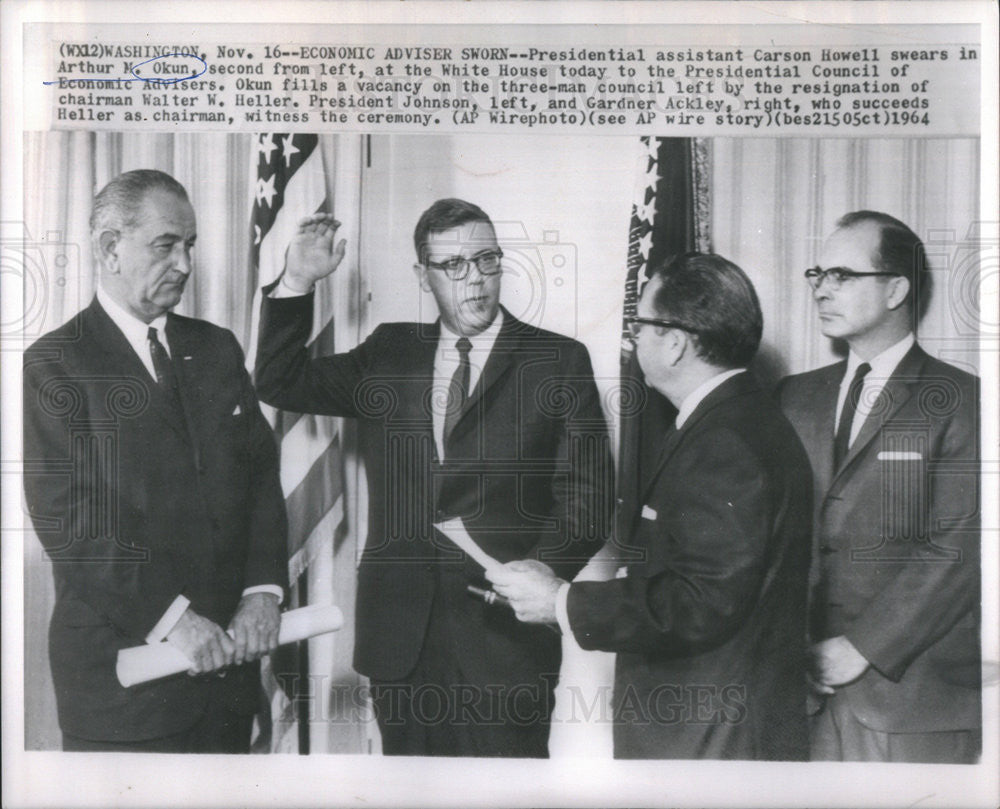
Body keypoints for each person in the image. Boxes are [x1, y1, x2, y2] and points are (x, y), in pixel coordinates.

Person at [254, 199, 611, 757]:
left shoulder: (558, 361)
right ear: (424, 275)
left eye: (487, 260)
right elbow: (279, 380)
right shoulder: (390, 352)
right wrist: (298, 279)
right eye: (454, 266)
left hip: (506, 641)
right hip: (400, 638)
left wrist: (543, 571)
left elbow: (588, 501)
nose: (476, 281)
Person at [490, 252, 813, 760]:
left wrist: (562, 601)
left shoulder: (724, 442)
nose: (632, 339)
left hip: (708, 733)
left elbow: (701, 602)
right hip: (709, 722)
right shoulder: (730, 420)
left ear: (676, 342)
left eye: (640, 325)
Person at [23, 169, 287, 753]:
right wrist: (174, 619)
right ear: (111, 248)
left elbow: (261, 479)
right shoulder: (54, 365)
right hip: (125, 688)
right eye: (166, 245)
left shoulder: (216, 348)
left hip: (227, 676)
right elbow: (72, 526)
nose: (186, 264)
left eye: (189, 245)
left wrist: (263, 592)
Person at [776, 211, 981, 763]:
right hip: (797, 694)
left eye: (842, 275)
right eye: (818, 274)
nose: (822, 289)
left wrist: (862, 647)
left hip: (909, 702)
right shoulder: (791, 398)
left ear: (896, 289)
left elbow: (958, 550)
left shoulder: (963, 399)